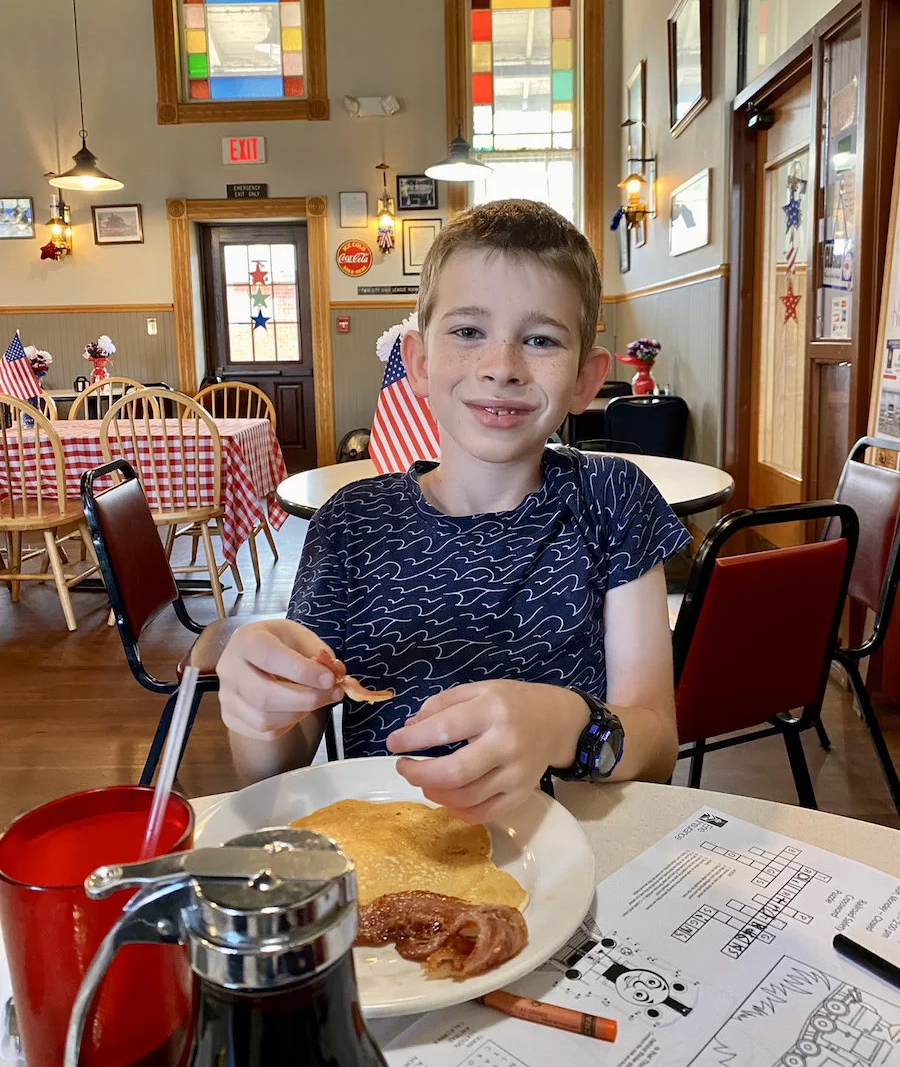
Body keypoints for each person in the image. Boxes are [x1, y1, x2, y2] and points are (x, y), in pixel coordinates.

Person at [217, 199, 690, 822]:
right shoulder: (350, 523)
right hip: (391, 851)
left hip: (571, 847)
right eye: (468, 332)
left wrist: (567, 723)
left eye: (541, 339)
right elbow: (276, 764)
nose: (501, 368)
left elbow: (654, 746)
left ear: (585, 377)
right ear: (418, 362)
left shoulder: (611, 499)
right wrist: (261, 704)